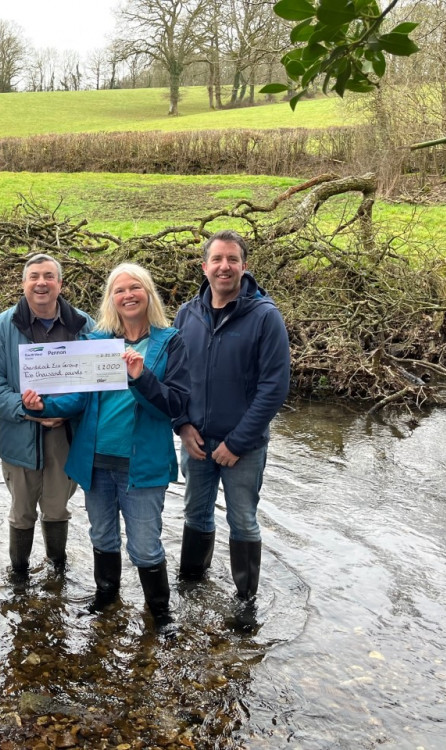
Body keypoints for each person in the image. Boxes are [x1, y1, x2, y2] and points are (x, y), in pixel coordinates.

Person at [21, 264, 189, 633]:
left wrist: (141, 377)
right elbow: (78, 399)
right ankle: (106, 596)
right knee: (102, 535)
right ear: (111, 300)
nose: (128, 295)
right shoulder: (96, 343)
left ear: (148, 294)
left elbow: (175, 406)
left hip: (142, 465)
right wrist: (42, 406)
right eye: (119, 290)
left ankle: (160, 612)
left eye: (135, 288)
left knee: (145, 544)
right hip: (95, 462)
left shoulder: (170, 341)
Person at [173, 229, 290, 624]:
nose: (225, 267)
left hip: (244, 447)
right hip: (197, 442)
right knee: (195, 513)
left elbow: (274, 388)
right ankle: (190, 584)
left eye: (233, 260)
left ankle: (245, 602)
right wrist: (183, 427)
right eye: (217, 259)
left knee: (242, 519)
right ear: (204, 267)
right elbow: (176, 378)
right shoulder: (186, 314)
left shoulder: (265, 317)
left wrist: (237, 443)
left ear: (244, 266)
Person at [0, 253, 94, 583]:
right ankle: (18, 575)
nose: (41, 283)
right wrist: (24, 407)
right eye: (34, 276)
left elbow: (95, 383)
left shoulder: (84, 325)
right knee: (21, 510)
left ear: (60, 284)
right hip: (20, 432)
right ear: (23, 283)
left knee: (58, 506)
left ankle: (57, 568)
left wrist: (65, 411)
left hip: (66, 434)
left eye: (48, 276)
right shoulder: (1, 327)